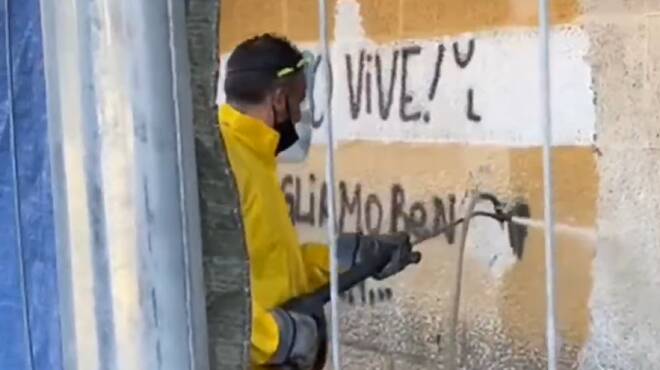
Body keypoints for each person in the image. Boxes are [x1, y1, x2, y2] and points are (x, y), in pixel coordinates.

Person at [218, 33, 421, 369]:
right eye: (300, 101)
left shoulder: (252, 156)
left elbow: (272, 268)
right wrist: (279, 338)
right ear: (280, 100)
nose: (299, 117)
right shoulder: (227, 164)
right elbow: (201, 297)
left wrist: (350, 257)